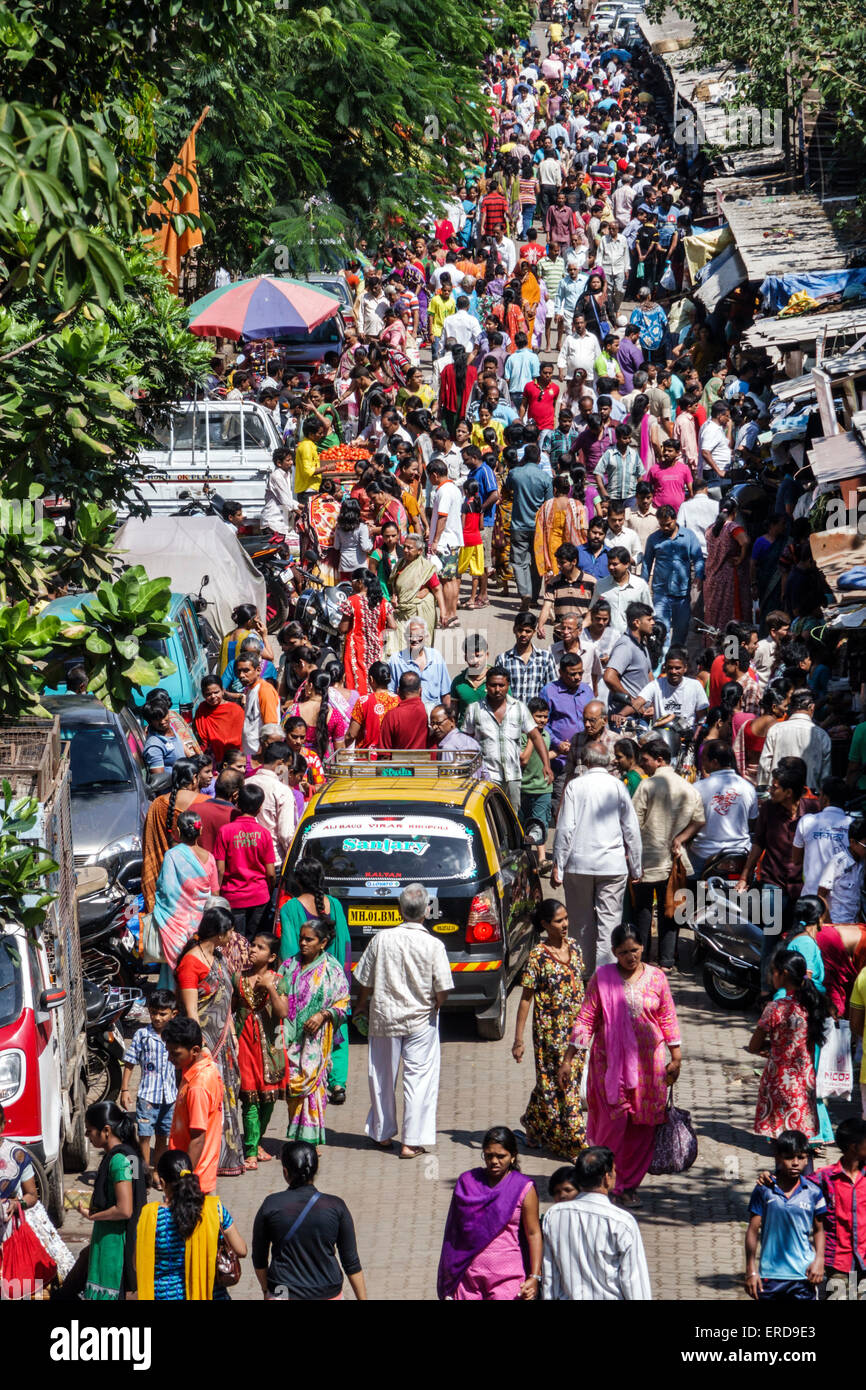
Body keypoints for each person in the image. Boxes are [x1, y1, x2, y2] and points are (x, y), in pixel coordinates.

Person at [558, 924, 682, 1206]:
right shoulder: (603, 978)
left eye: (635, 950)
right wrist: (568, 1059)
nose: (630, 957)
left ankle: (628, 1185)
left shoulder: (657, 978)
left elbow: (668, 1017)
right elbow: (586, 1019)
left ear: (643, 949)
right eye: (624, 952)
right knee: (612, 1128)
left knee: (642, 1129)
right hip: (609, 1068)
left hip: (650, 1069)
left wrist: (676, 1057)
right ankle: (603, 1184)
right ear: (614, 952)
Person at [354, 883, 453, 1160]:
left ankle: (383, 1133)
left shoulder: (381, 939)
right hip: (422, 1020)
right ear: (427, 910)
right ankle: (411, 1142)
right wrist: (436, 1005)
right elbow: (443, 989)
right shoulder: (434, 944)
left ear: (400, 909)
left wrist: (361, 1005)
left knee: (382, 1075)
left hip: (384, 1016)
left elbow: (364, 979)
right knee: (418, 1079)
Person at [552, 744, 642, 976]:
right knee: (609, 922)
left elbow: (565, 829)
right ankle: (606, 976)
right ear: (608, 760)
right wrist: (636, 867)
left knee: (581, 923)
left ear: (586, 761)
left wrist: (558, 866)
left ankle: (583, 975)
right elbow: (631, 829)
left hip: (579, 865)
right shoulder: (617, 786)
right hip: (612, 865)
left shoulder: (575, 786)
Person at [173, 910, 245, 1180]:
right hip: (203, 1045)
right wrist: (201, 1047)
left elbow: (227, 1003)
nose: (232, 937)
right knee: (205, 1103)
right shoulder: (190, 964)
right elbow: (192, 1012)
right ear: (219, 932)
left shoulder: (218, 957)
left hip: (224, 1039)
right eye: (230, 932)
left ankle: (226, 1155)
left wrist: (233, 1035)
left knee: (227, 1096)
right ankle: (202, 1161)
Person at [512, 900, 586, 1157]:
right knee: (565, 1086)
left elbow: (581, 989)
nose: (564, 925)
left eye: (566, 919)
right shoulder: (538, 956)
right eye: (558, 921)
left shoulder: (575, 948)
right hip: (549, 1035)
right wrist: (518, 1040)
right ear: (545, 925)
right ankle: (574, 1142)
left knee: (559, 1083)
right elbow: (525, 999)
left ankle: (533, 1122)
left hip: (577, 1034)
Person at [252, 1140, 367, 1300]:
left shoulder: (271, 1205)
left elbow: (259, 1258)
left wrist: (267, 1290)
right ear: (316, 1169)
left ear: (285, 1172)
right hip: (327, 1291)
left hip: (283, 1292)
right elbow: (351, 1263)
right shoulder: (335, 1206)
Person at [437, 1126, 542, 1301]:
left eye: (501, 1156)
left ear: (513, 1156)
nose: (494, 1161)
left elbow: (533, 1232)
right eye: (489, 1155)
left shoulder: (523, 1188)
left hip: (507, 1276)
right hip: (468, 1275)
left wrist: (535, 1276)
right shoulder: (467, 1182)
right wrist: (450, 1273)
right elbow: (454, 1232)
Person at [279, 859, 351, 1103]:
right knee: (338, 1027)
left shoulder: (290, 909)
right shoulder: (337, 906)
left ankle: (301, 1077)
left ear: (297, 881)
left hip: (305, 984)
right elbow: (346, 945)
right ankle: (338, 1083)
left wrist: (288, 986)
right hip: (333, 978)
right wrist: (343, 980)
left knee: (303, 1032)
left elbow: (289, 950)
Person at [631, 739, 705, 970]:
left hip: (646, 859)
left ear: (659, 760)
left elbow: (633, 823)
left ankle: (641, 960)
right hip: (674, 860)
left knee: (643, 911)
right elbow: (699, 820)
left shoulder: (647, 786)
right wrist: (680, 839)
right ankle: (666, 962)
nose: (643, 766)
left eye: (646, 761)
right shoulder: (689, 788)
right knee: (670, 911)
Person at [135, 1148, 246, 1301]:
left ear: (162, 1182)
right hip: (210, 1294)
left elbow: (137, 1263)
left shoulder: (151, 1216)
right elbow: (241, 1250)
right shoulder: (214, 1209)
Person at [542, 1145, 652, 1300]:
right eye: (613, 1171)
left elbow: (550, 1274)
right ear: (606, 1178)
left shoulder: (554, 1216)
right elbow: (634, 1282)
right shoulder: (622, 1222)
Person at [277, 917, 351, 1146]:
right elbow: (277, 997)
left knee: (314, 1092)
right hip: (289, 1039)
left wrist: (323, 1015)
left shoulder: (333, 969)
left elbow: (343, 1003)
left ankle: (311, 1141)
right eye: (301, 938)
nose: (303, 943)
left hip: (317, 1043)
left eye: (309, 939)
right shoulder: (288, 966)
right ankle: (297, 1138)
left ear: (323, 942)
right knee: (293, 1091)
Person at [748, 949, 829, 1141]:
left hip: (780, 1080)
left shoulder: (776, 1008)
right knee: (801, 1142)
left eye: (773, 971)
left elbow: (753, 1046)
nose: (770, 976)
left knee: (783, 1144)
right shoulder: (812, 1003)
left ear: (783, 973)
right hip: (804, 1079)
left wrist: (772, 1046)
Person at [0, 1103, 74, 1295]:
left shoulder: (16, 1155)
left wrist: (18, 1204)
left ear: (2, 1125)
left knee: (14, 1287)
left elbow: (31, 1195)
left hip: (9, 1234)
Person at [76, 1102, 147, 1300]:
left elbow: (124, 1209)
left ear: (106, 1130)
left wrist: (93, 1216)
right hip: (129, 1234)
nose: (87, 1137)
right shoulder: (131, 1155)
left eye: (90, 1131)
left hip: (115, 1240)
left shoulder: (118, 1160)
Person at [745, 1130, 826, 1302]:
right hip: (770, 1275)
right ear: (778, 1157)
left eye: (801, 1157)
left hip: (803, 1275)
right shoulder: (764, 1190)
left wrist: (819, 1260)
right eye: (789, 1157)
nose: (795, 1163)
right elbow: (752, 1230)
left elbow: (819, 1230)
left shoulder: (813, 1193)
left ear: (807, 1159)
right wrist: (751, 1270)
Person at [232, 932, 289, 1169]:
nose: (253, 950)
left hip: (272, 1042)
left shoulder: (278, 980)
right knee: (250, 1098)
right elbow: (232, 1008)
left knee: (269, 1098)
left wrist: (270, 989)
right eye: (252, 945)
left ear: (272, 956)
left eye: (260, 947)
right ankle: (251, 1150)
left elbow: (282, 1012)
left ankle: (257, 1141)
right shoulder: (238, 977)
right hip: (245, 1041)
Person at [462, 666, 553, 813]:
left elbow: (536, 736)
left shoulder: (519, 708)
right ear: (486, 686)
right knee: (490, 815)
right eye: (493, 685)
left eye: (501, 685)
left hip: (513, 775)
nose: (497, 689)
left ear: (508, 686)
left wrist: (546, 765)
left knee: (512, 815)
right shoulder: (474, 710)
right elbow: (466, 741)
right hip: (487, 775)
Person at [120, 988, 178, 1181]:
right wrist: (125, 1089)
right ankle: (144, 1173)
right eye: (154, 1013)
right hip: (147, 1096)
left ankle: (157, 1172)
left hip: (169, 1096)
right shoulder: (142, 1035)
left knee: (163, 1136)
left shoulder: (175, 1035)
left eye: (163, 1014)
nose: (158, 1018)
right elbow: (130, 1062)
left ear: (173, 1013)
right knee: (144, 1135)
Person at [151, 810, 220, 971]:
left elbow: (166, 890)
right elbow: (215, 893)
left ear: (179, 831)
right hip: (202, 924)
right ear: (200, 830)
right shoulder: (209, 857)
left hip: (176, 926)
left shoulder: (172, 856)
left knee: (177, 969)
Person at [213, 782, 277, 940]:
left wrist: (217, 894)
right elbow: (270, 873)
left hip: (233, 897)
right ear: (260, 808)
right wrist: (268, 889)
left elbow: (220, 870)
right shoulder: (264, 834)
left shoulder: (225, 831)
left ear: (238, 804)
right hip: (259, 896)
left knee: (235, 941)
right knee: (253, 939)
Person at [686, 741, 758, 876]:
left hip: (704, 854)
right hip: (740, 853)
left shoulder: (698, 788)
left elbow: (689, 822)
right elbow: (752, 823)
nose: (702, 764)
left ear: (714, 762)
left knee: (690, 886)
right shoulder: (748, 788)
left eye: (704, 760)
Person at [642, 505, 704, 651]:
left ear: (675, 519)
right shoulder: (653, 539)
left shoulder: (689, 536)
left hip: (682, 595)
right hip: (660, 594)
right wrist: (642, 584)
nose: (665, 528)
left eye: (668, 524)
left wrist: (699, 576)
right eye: (662, 525)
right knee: (660, 631)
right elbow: (646, 563)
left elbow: (698, 558)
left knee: (681, 632)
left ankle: (676, 661)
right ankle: (661, 663)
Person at [758, 689, 832, 794]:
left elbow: (765, 764)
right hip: (809, 797)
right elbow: (825, 775)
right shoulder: (822, 736)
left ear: (790, 708)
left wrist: (765, 792)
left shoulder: (776, 730)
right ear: (812, 708)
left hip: (779, 795)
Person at [704, 497, 750, 631]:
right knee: (731, 615)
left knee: (714, 615)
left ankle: (714, 647)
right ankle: (732, 650)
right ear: (734, 511)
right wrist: (741, 558)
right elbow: (745, 541)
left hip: (712, 577)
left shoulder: (710, 529)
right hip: (730, 578)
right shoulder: (733, 527)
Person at [603, 601, 655, 716]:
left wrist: (653, 703)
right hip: (624, 719)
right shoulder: (625, 646)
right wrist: (632, 702)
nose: (653, 623)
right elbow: (609, 677)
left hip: (641, 716)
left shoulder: (641, 644)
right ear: (637, 622)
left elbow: (649, 674)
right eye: (649, 619)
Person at [389, 618, 452, 710]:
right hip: (407, 714)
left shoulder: (436, 657)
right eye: (411, 636)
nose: (415, 639)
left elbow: (446, 693)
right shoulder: (395, 660)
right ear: (405, 637)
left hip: (434, 716)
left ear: (426, 636)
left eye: (419, 635)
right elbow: (390, 694)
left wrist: (448, 716)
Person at [495, 611, 558, 703]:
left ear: (534, 632)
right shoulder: (503, 659)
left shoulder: (545, 658)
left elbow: (552, 689)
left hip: (536, 715)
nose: (523, 634)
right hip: (511, 714)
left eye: (528, 631)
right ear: (514, 630)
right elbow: (498, 689)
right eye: (520, 630)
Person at [818, 815, 866, 926]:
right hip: (836, 924)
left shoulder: (862, 864)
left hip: (854, 924)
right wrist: (829, 925)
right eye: (865, 846)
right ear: (852, 842)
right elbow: (821, 895)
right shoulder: (837, 862)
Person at [236, 651, 281, 758]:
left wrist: (262, 757)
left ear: (258, 670)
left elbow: (271, 729)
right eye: (239, 671)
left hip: (259, 756)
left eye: (246, 671)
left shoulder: (264, 691)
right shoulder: (251, 689)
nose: (241, 675)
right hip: (251, 753)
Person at [194, 676, 245, 762]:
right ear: (203, 694)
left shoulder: (235, 710)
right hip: (210, 758)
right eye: (208, 694)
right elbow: (199, 734)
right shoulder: (202, 708)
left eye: (216, 692)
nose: (213, 696)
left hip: (233, 757)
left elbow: (240, 737)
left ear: (223, 690)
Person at [380, 670, 430, 750]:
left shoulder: (391, 716)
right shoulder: (430, 712)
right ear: (421, 691)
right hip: (427, 762)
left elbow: (384, 753)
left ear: (398, 691)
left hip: (398, 762)